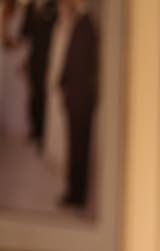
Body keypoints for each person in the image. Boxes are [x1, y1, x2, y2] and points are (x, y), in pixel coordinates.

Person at [56, 0, 96, 209]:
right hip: (76, 97)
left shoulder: (86, 25)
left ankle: (76, 195)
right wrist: (62, 81)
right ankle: (74, 191)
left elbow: (82, 65)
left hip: (81, 99)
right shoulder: (80, 24)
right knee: (75, 147)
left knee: (79, 149)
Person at [19, 0, 55, 150]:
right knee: (33, 94)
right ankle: (35, 131)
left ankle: (43, 134)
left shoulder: (53, 5)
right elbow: (24, 33)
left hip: (48, 60)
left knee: (44, 96)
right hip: (34, 59)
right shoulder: (30, 8)